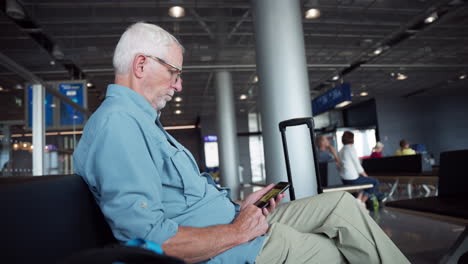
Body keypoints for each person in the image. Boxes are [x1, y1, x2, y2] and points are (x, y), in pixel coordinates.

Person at [73, 22, 409, 264]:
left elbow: (179, 200)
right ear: (141, 64)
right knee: (337, 253)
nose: (178, 86)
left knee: (342, 207)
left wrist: (240, 206)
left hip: (232, 221)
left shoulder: (139, 123)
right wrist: (236, 231)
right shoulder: (119, 125)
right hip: (229, 244)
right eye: (174, 73)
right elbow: (149, 241)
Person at [339, 131, 385, 205]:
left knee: (364, 182)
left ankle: (359, 199)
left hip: (344, 180)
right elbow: (357, 165)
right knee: (374, 181)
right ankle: (362, 202)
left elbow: (339, 166)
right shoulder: (350, 149)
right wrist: (365, 175)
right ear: (352, 139)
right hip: (353, 179)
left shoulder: (341, 150)